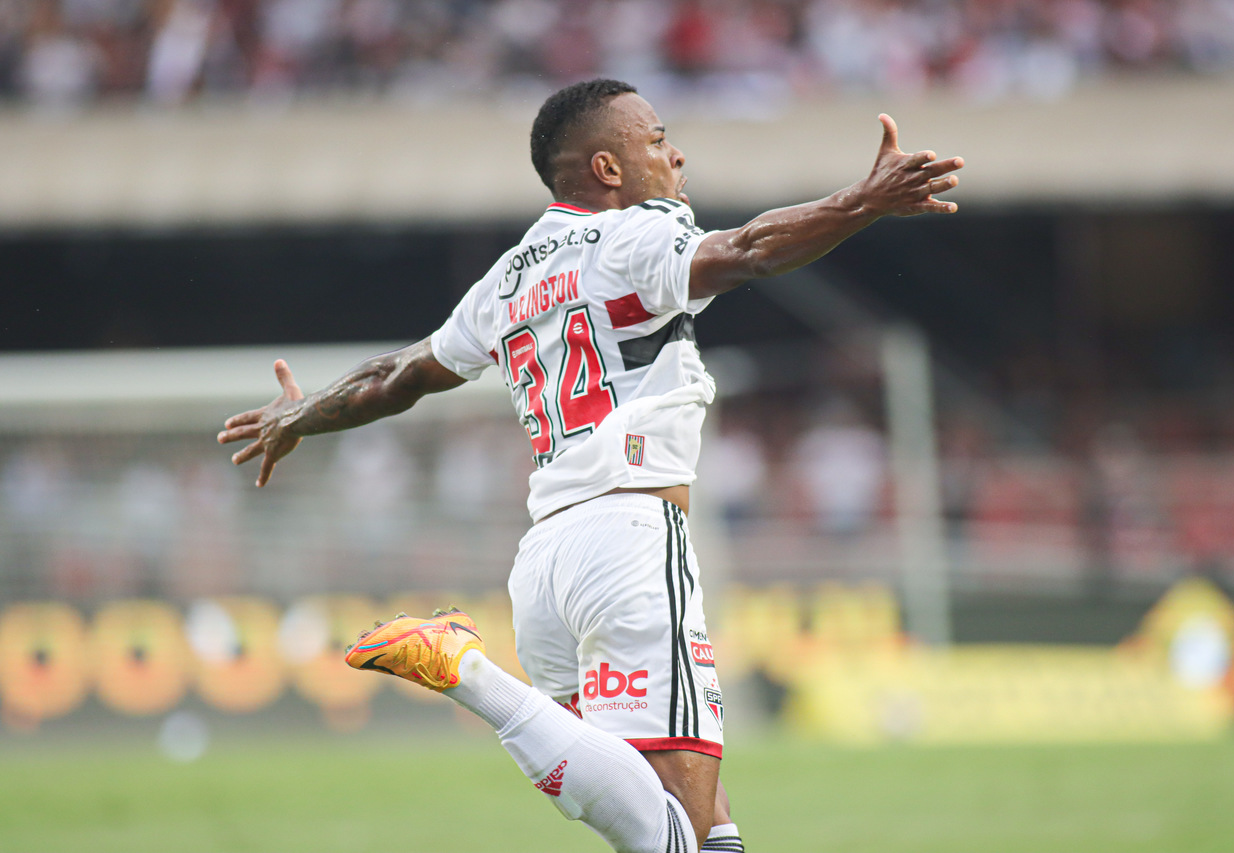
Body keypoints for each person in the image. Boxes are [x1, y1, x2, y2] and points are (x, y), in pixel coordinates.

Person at [217, 78, 962, 853]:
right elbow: (746, 251)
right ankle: (465, 669)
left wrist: (303, 412)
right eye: (656, 138)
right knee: (674, 835)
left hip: (547, 563)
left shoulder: (506, 277)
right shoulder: (634, 235)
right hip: (631, 538)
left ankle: (468, 667)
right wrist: (863, 202)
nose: (676, 154)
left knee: (702, 829)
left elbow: (399, 376)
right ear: (607, 169)